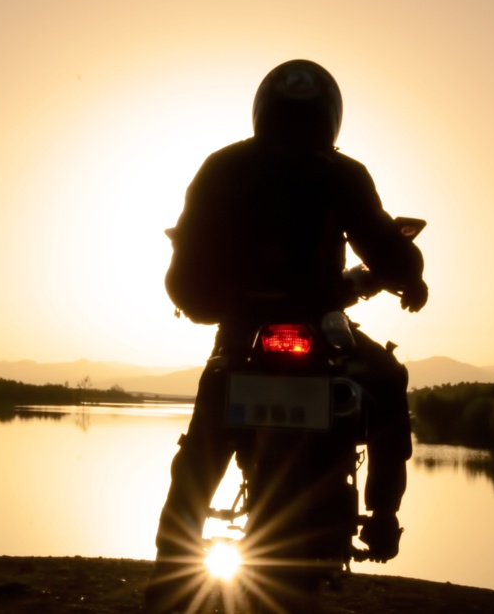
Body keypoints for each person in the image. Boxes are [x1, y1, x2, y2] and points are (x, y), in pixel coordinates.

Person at [146, 59, 428, 610]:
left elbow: (185, 271)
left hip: (241, 333)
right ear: (330, 115)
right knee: (389, 381)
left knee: (200, 460)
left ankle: (165, 590)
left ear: (262, 109)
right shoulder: (339, 172)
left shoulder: (221, 166)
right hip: (319, 327)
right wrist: (411, 277)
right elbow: (385, 247)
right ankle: (384, 518)